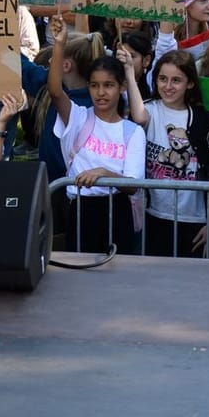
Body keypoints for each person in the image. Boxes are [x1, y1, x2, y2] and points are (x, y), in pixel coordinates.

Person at [47, 16, 145, 253]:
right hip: (82, 211)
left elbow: (133, 185)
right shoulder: (79, 117)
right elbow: (55, 91)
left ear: (120, 87)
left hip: (118, 212)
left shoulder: (133, 131)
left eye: (108, 85)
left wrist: (102, 173)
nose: (101, 92)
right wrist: (59, 45)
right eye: (94, 85)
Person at [129, 47, 209, 257]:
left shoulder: (205, 122)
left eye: (176, 80)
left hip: (194, 220)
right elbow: (138, 117)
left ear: (190, 83)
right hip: (153, 215)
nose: (168, 86)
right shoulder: (150, 110)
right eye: (162, 79)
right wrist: (130, 72)